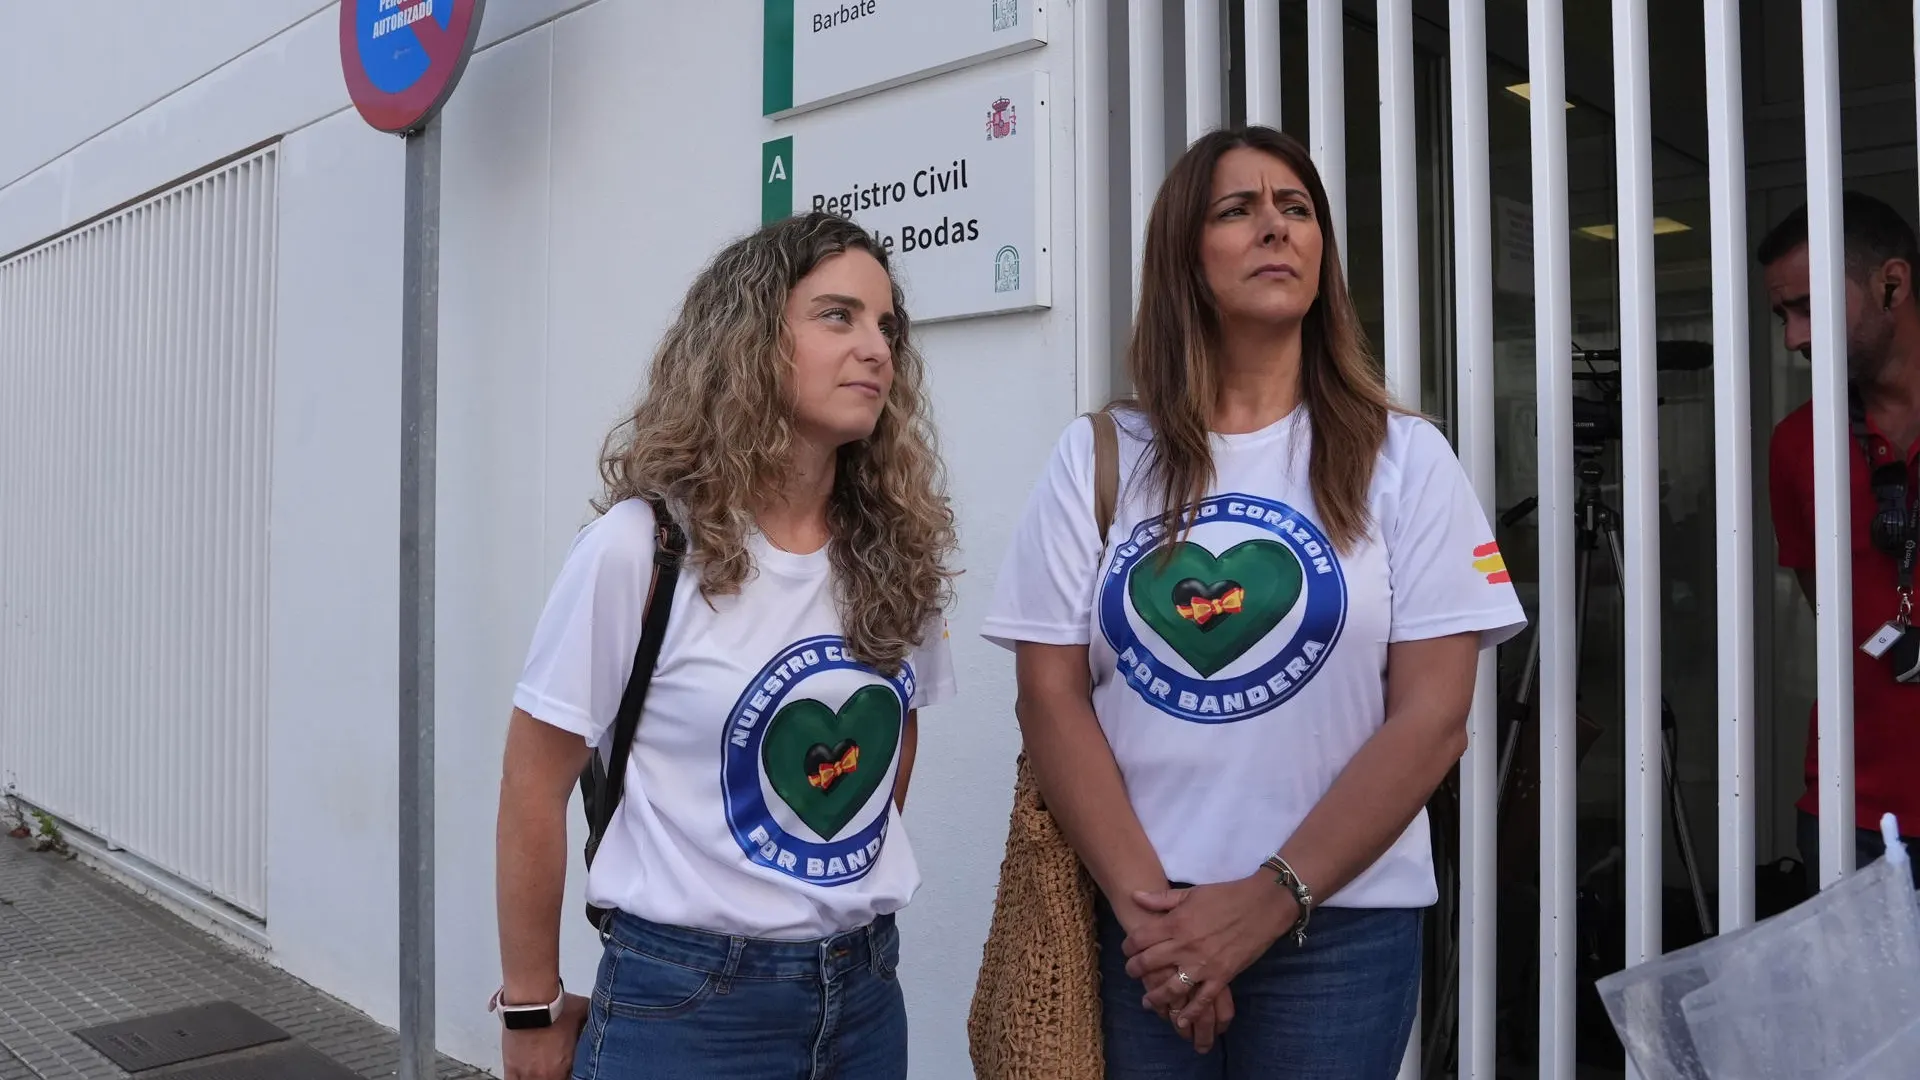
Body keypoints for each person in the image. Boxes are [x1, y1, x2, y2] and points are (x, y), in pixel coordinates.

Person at [979, 125, 1527, 1077]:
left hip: (1340, 938)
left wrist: (1264, 905)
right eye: (1239, 210)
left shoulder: (1406, 459)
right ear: (1185, 257)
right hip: (1139, 930)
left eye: (1297, 209)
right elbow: (1050, 696)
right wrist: (1165, 929)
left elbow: (1435, 718)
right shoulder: (1103, 456)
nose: (1276, 227)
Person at [491, 211, 958, 1080]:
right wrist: (531, 1009)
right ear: (749, 343)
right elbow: (531, 783)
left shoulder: (893, 550)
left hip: (864, 996)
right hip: (685, 1007)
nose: (877, 347)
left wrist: (821, 884)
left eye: (886, 324)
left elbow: (897, 737)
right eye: (837, 316)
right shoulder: (642, 549)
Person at [1761, 191, 1920, 887]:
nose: (1794, 337)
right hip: (1850, 812)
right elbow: (1826, 602)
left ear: (1891, 284)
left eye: (1808, 307)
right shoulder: (1798, 443)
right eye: (1783, 315)